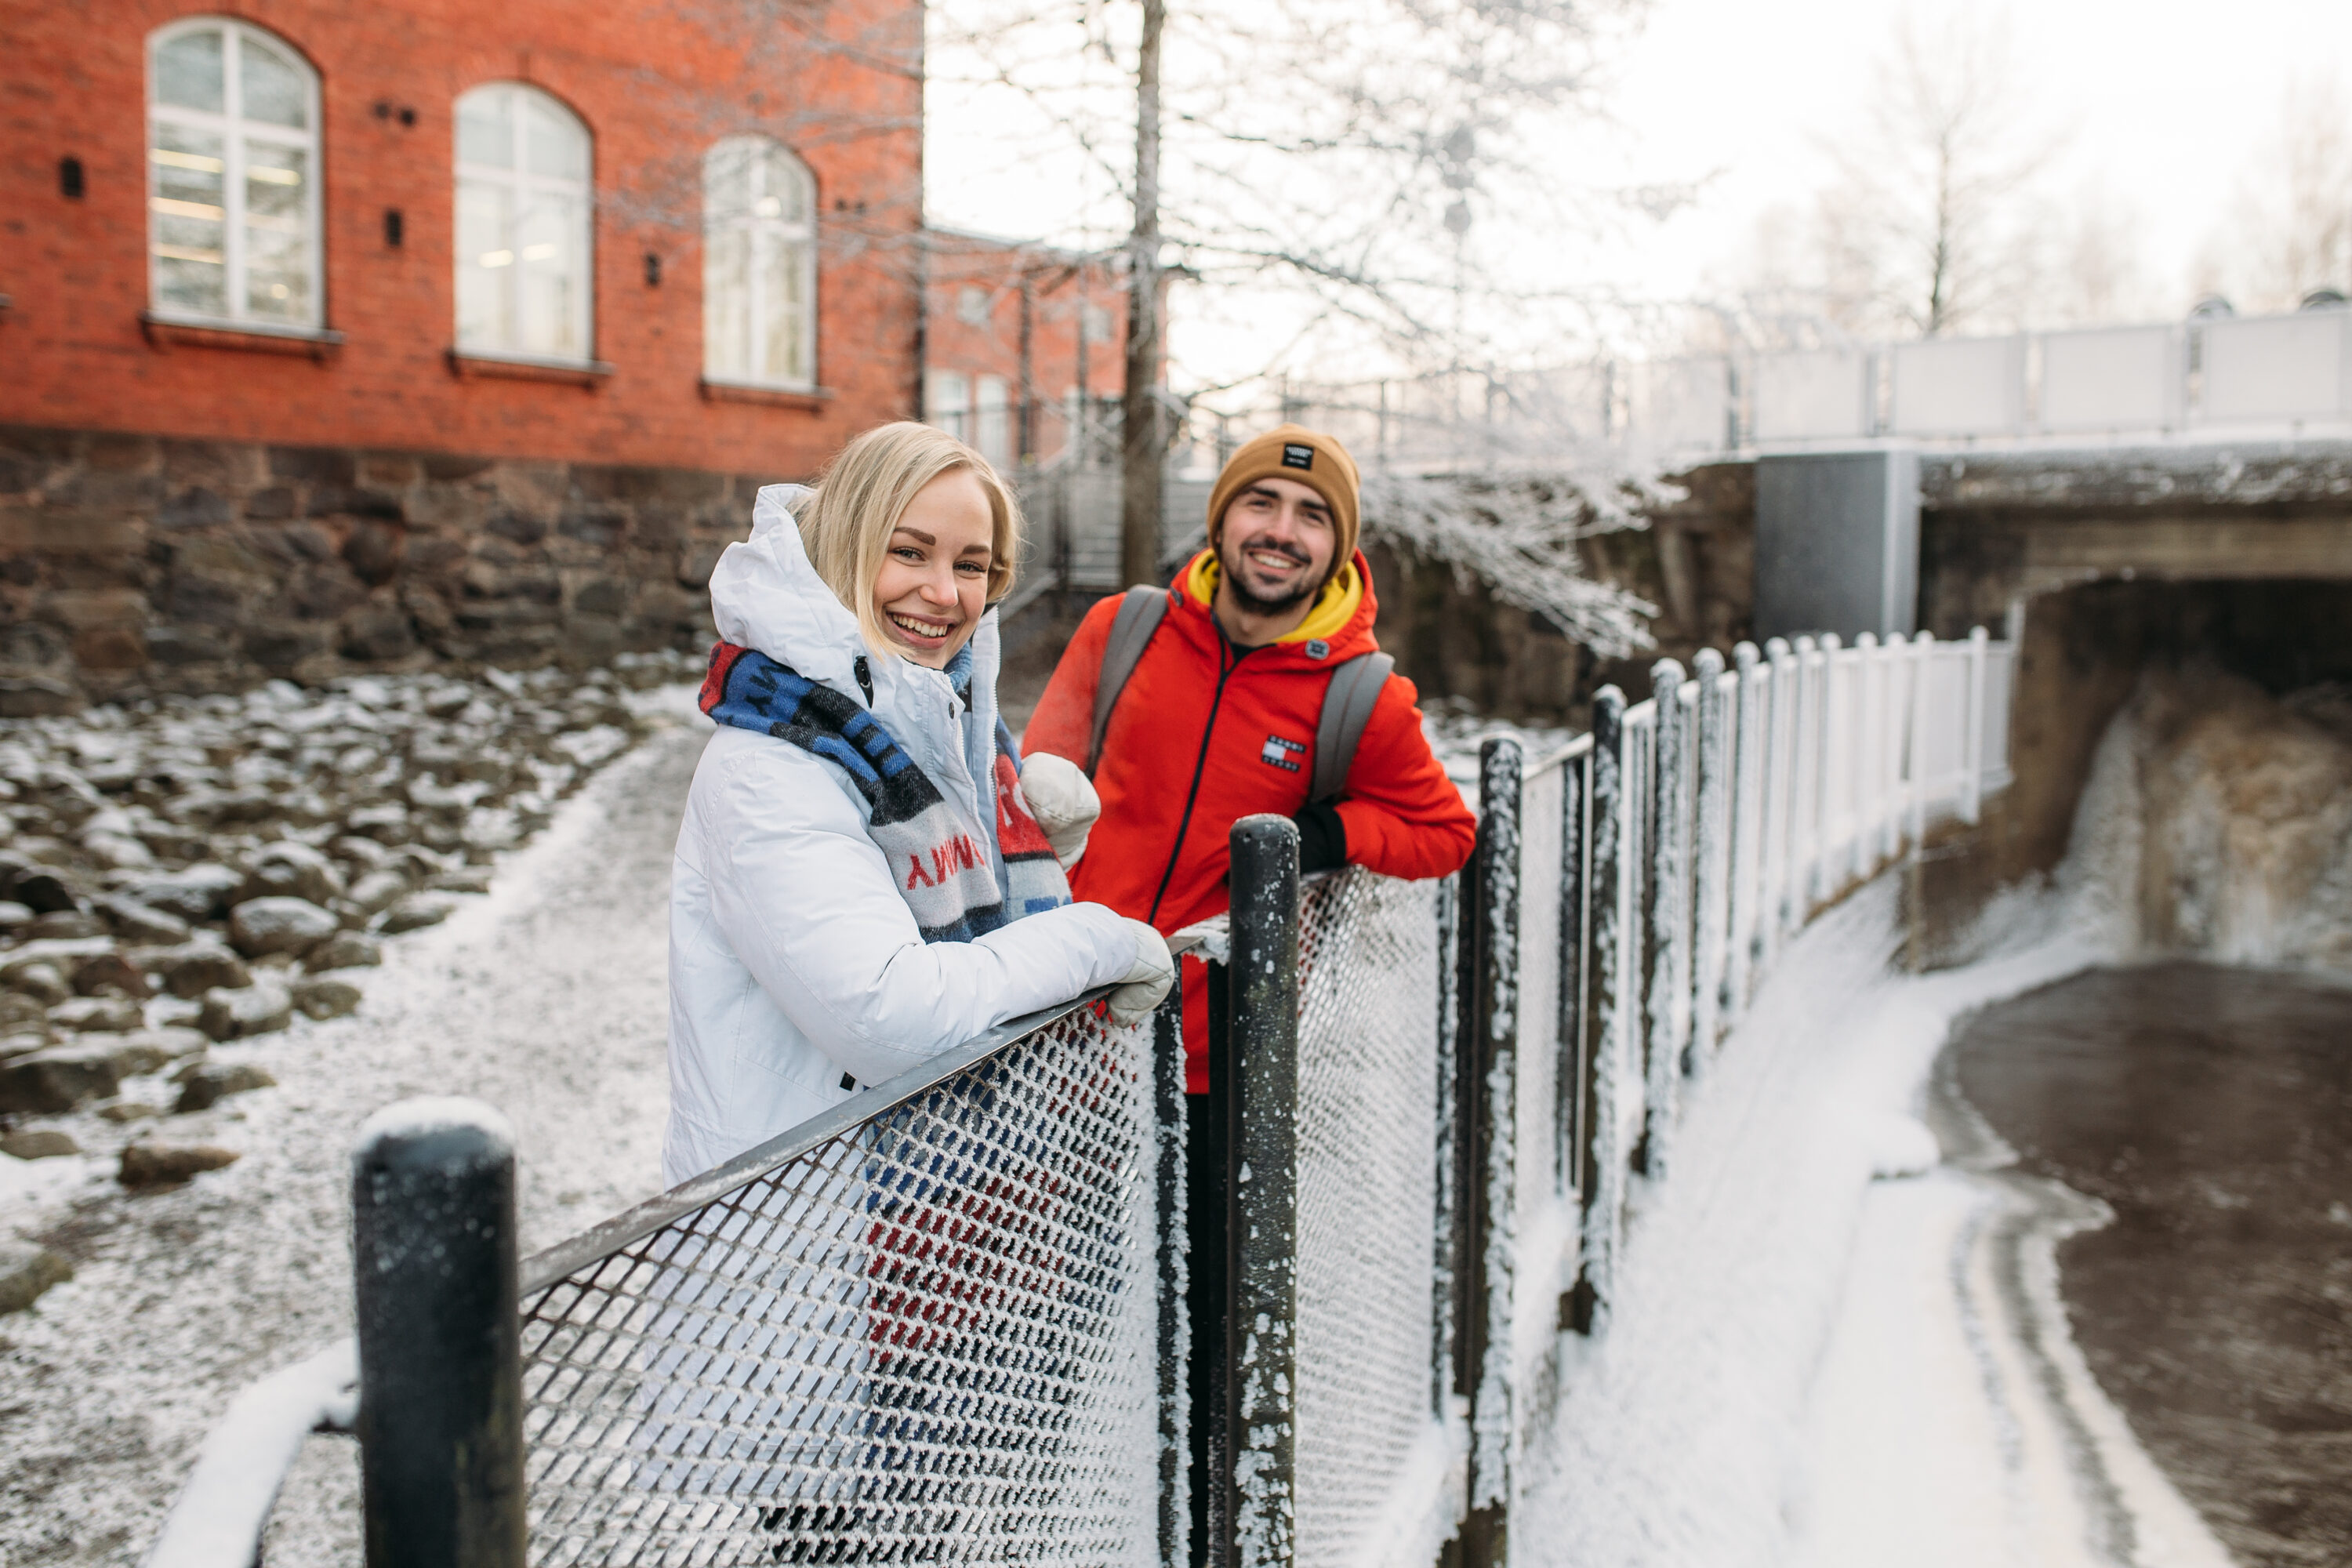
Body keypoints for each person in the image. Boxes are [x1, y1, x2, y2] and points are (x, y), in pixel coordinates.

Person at [662, 421, 1174, 1186]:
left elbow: (913, 900)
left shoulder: (944, 718)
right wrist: (1092, 940)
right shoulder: (771, 762)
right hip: (803, 1250)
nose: (944, 592)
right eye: (909, 550)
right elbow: (892, 1017)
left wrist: (1021, 845)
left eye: (972, 565)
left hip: (939, 1217)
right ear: (848, 543)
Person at [1019, 423, 1477, 1094]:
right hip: (1057, 1022)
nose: (1282, 531)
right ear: (1222, 517)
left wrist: (1332, 833)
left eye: (1312, 515)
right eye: (1261, 502)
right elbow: (1029, 803)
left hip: (1217, 1060)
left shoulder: (1363, 696)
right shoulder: (1121, 630)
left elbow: (1448, 834)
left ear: (1340, 547)